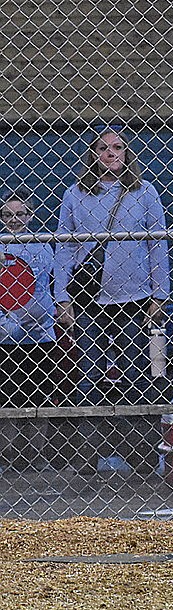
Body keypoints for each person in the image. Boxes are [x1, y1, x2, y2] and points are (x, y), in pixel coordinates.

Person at [53, 128, 170, 474]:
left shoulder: (145, 192)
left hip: (134, 296)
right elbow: (66, 246)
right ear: (92, 154)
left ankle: (141, 453)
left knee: (136, 375)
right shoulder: (75, 194)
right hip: (89, 296)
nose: (111, 154)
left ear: (128, 153)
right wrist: (62, 297)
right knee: (88, 375)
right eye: (103, 148)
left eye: (118, 147)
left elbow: (157, 244)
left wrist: (159, 293)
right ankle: (87, 454)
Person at [0, 189, 57, 470]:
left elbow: (49, 284)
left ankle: (36, 454)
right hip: (5, 335)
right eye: (8, 215)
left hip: (40, 334)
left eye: (20, 214)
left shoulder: (42, 245)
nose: (14, 220)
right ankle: (8, 455)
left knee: (39, 393)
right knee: (7, 395)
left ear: (30, 216)